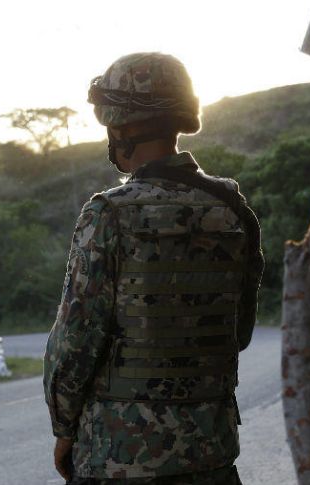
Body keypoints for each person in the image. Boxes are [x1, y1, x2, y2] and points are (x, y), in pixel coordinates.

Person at [43, 52, 264, 485]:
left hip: (120, 457)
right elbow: (239, 334)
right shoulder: (233, 211)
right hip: (211, 455)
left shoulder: (107, 214)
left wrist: (64, 428)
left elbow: (74, 342)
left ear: (120, 128)